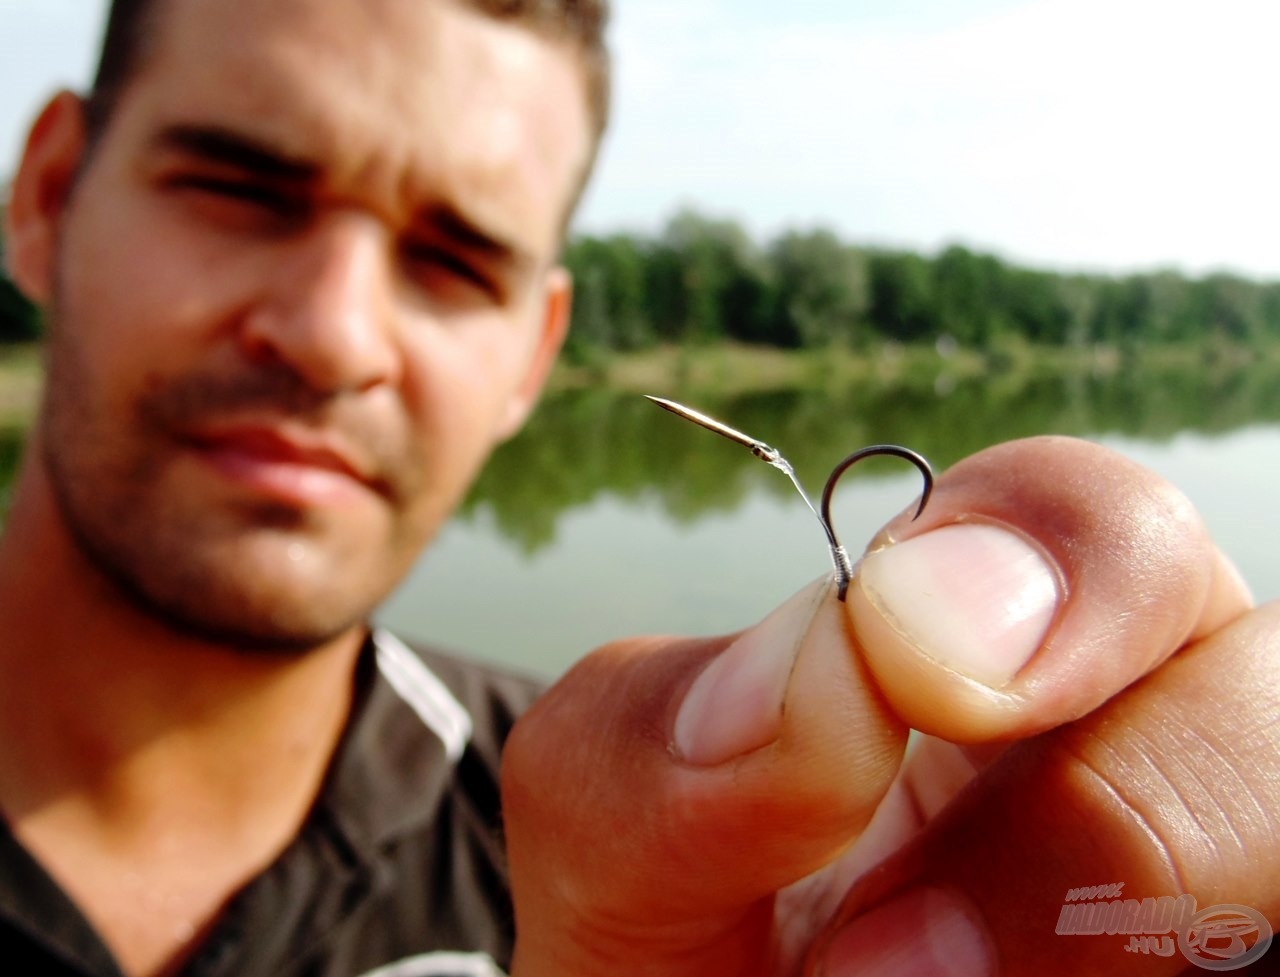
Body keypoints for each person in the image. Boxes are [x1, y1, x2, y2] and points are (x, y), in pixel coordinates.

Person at [1, 2, 1276, 977]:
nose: (334, 336)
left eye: (454, 260)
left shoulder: (670, 870)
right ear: (49, 195)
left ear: (532, 355)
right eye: (236, 189)